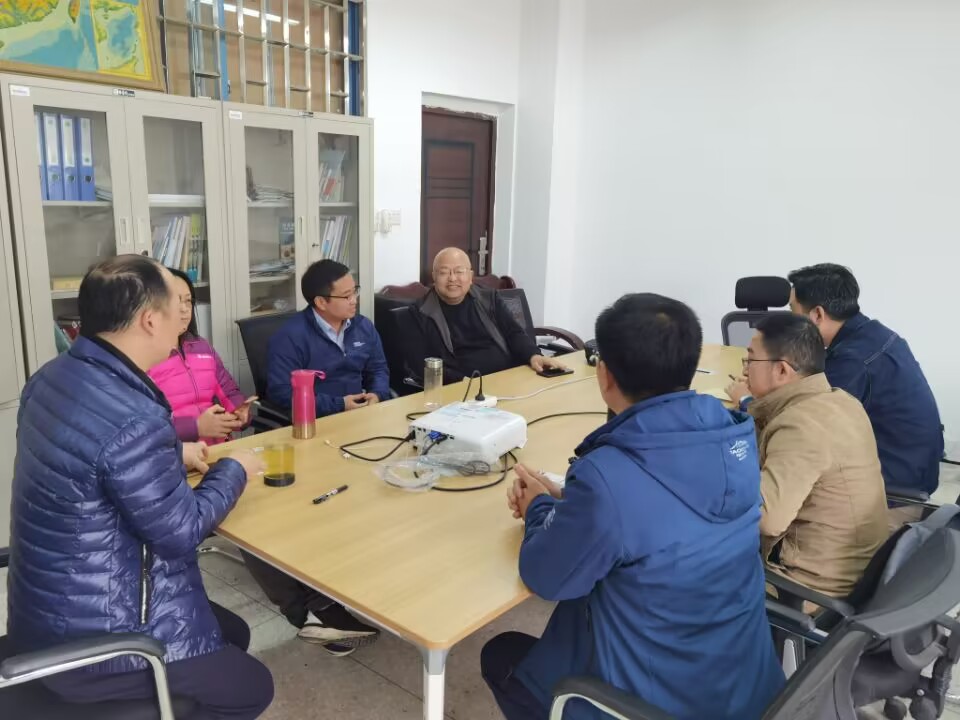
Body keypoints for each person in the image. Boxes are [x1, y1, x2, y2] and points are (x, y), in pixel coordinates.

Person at [482, 294, 783, 720]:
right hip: (747, 689)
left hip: (661, 705)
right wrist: (572, 500)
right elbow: (661, 512)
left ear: (604, 375)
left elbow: (546, 577)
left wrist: (538, 508)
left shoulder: (608, 477)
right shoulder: (733, 436)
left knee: (501, 656)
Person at [7, 255, 273, 719]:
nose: (183, 318)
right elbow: (180, 532)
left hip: (46, 611)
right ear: (150, 319)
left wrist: (170, 452)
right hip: (102, 637)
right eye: (177, 306)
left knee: (235, 633)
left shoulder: (53, 378)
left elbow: (90, 461)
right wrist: (233, 469)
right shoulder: (134, 416)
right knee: (253, 687)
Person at [728, 263, 942, 496]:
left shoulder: (853, 362)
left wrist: (747, 401)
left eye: (793, 309)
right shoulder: (871, 335)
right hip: (909, 468)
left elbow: (802, 422)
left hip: (891, 488)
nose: (791, 317)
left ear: (817, 315)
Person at [742, 314, 888, 598]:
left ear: (781, 370)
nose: (745, 370)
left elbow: (767, 520)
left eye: (750, 359)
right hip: (855, 575)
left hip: (808, 592)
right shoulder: (842, 400)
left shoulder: (800, 424)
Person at [402, 247, 567, 383]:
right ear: (434, 277)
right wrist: (463, 382)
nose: (452, 278)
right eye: (444, 272)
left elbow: (514, 333)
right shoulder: (418, 313)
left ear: (470, 277)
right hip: (461, 389)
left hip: (507, 379)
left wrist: (534, 355)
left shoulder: (490, 299)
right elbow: (421, 365)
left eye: (459, 271)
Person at [266, 259, 389, 415]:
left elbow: (378, 369)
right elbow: (282, 392)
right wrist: (340, 404)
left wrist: (377, 394)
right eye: (347, 296)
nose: (354, 300)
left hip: (361, 413)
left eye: (355, 291)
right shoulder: (289, 337)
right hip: (317, 419)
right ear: (321, 302)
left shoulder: (363, 326)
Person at [149, 268, 255, 445]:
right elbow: (145, 429)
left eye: (188, 301)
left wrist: (239, 412)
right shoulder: (144, 357)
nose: (184, 309)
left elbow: (229, 392)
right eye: (176, 301)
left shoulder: (201, 347)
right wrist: (196, 427)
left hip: (216, 449)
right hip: (176, 454)